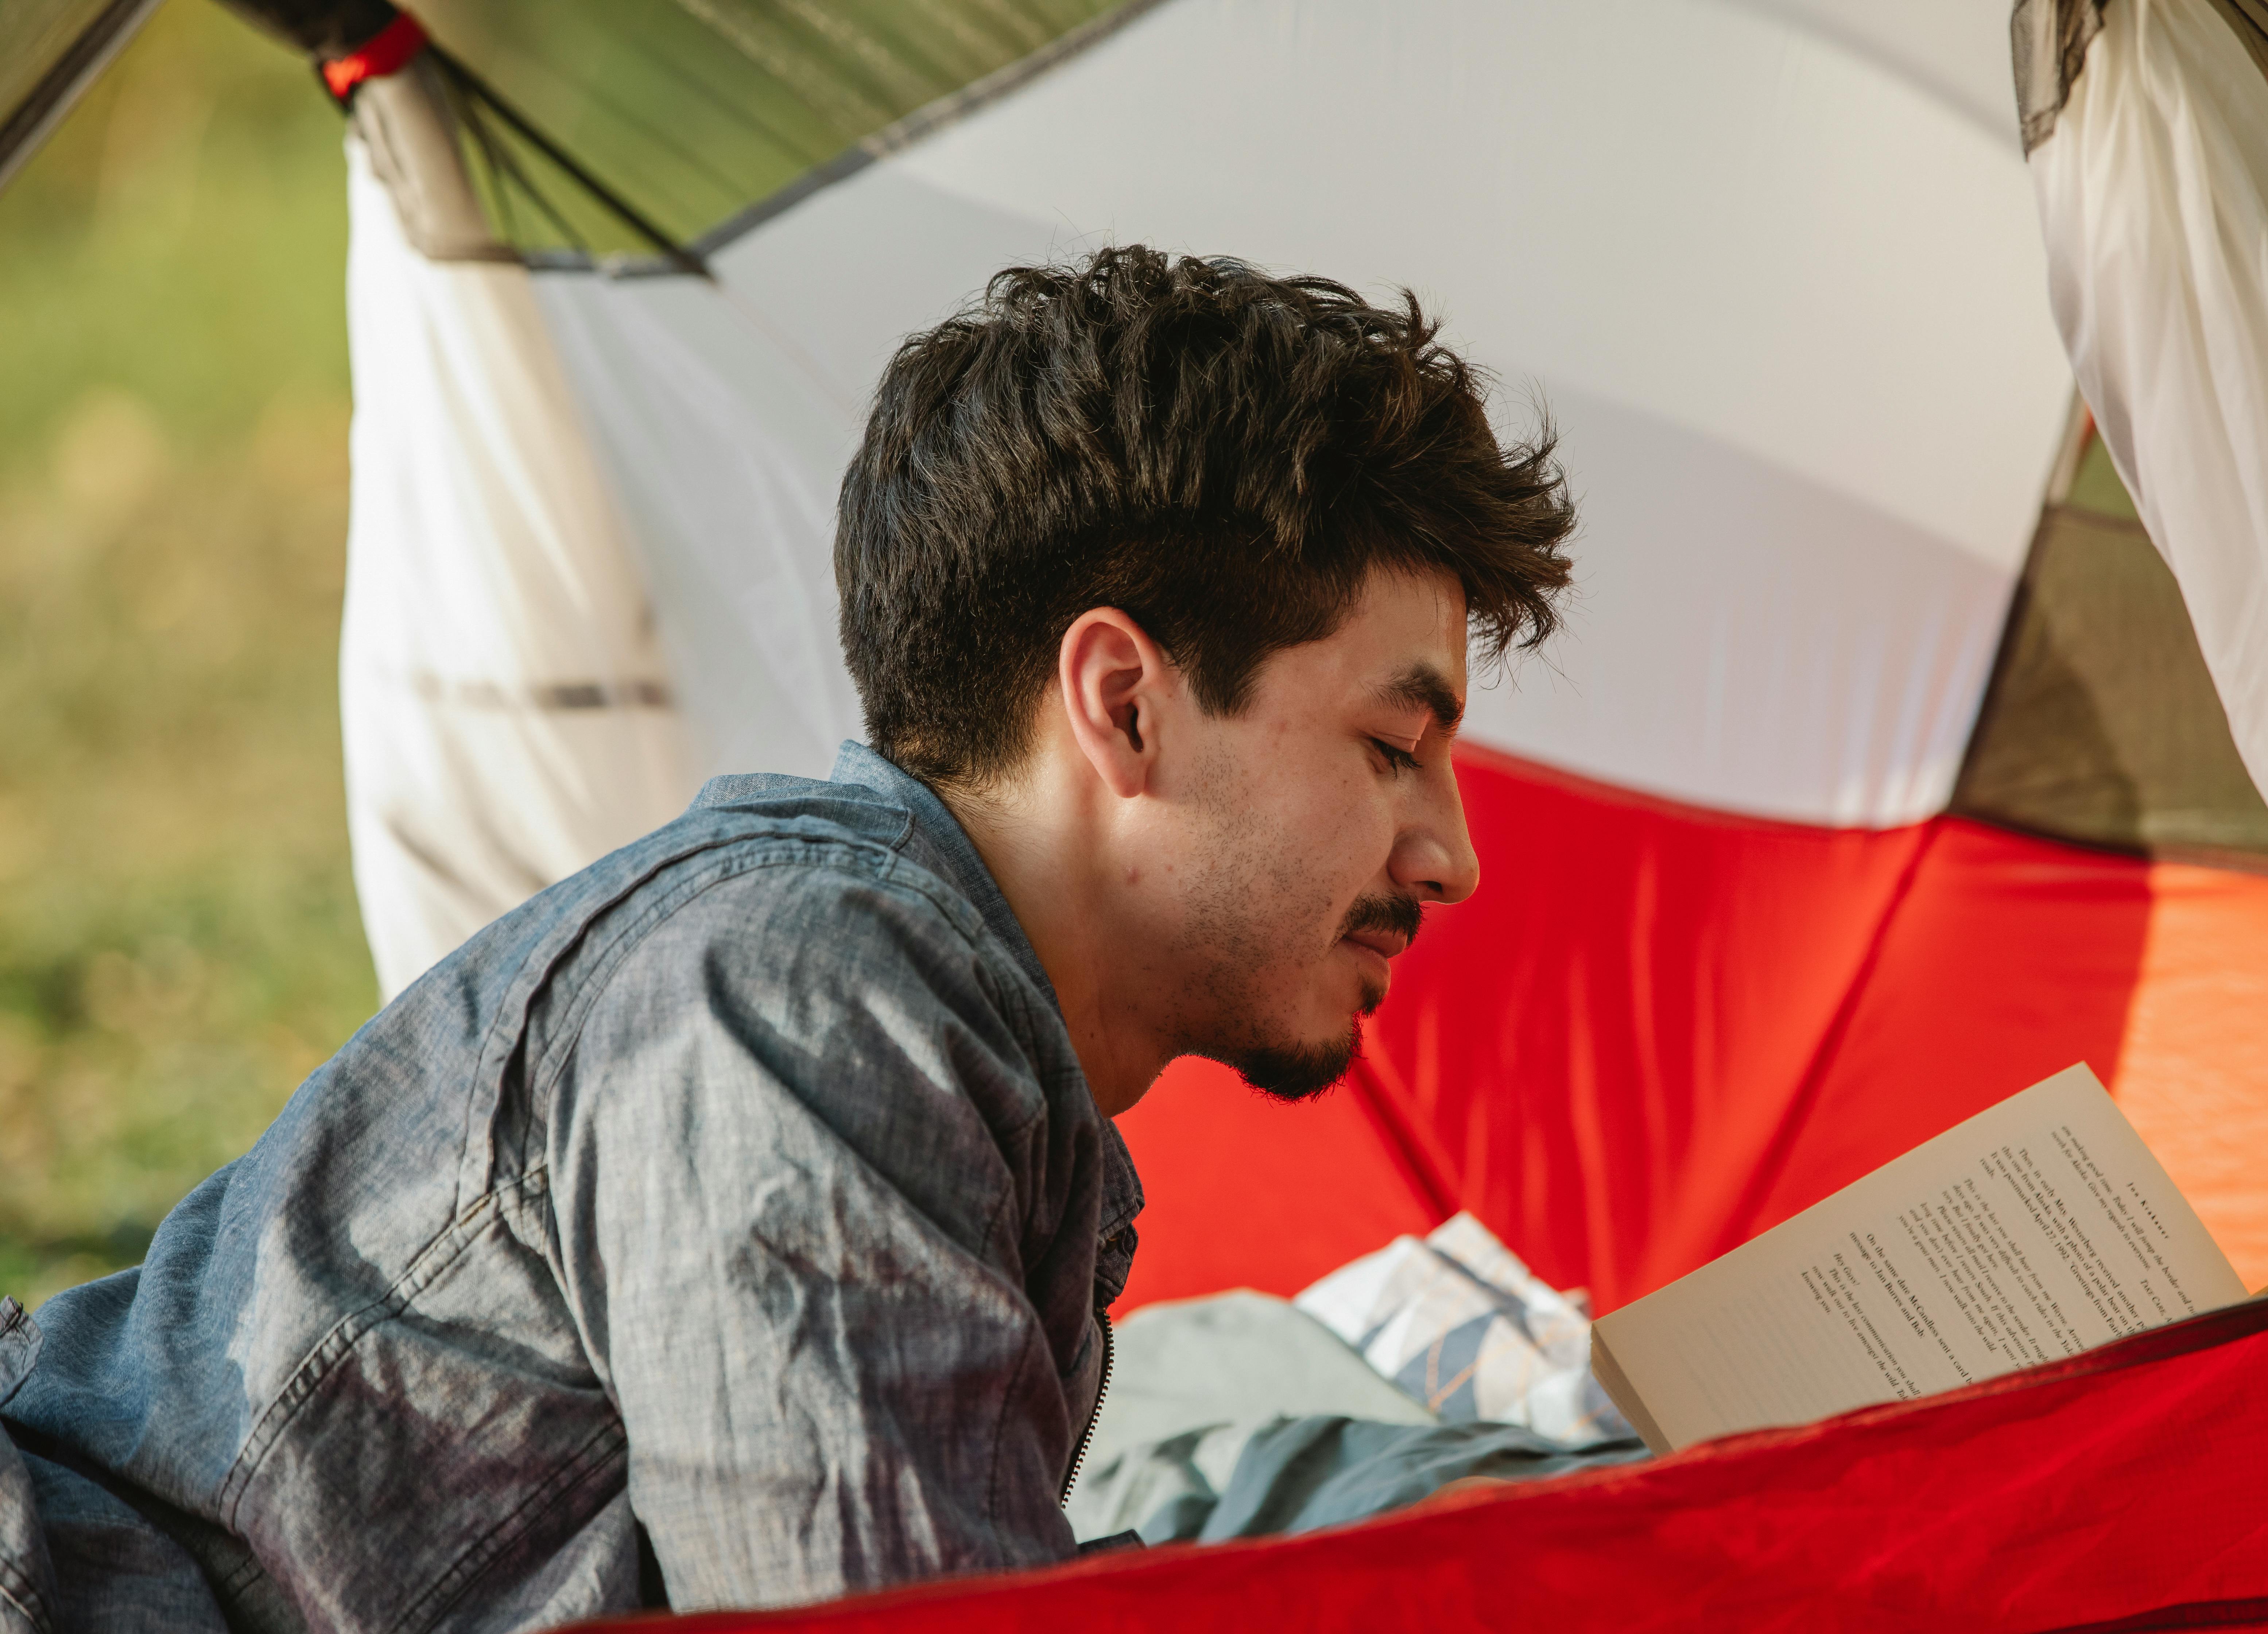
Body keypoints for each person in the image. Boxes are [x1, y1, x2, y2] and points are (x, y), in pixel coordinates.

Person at [0, 247, 1574, 1631]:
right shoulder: (795, 1001)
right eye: (1390, 745)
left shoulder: (933, 1049)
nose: (1452, 856)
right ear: (1123, 702)